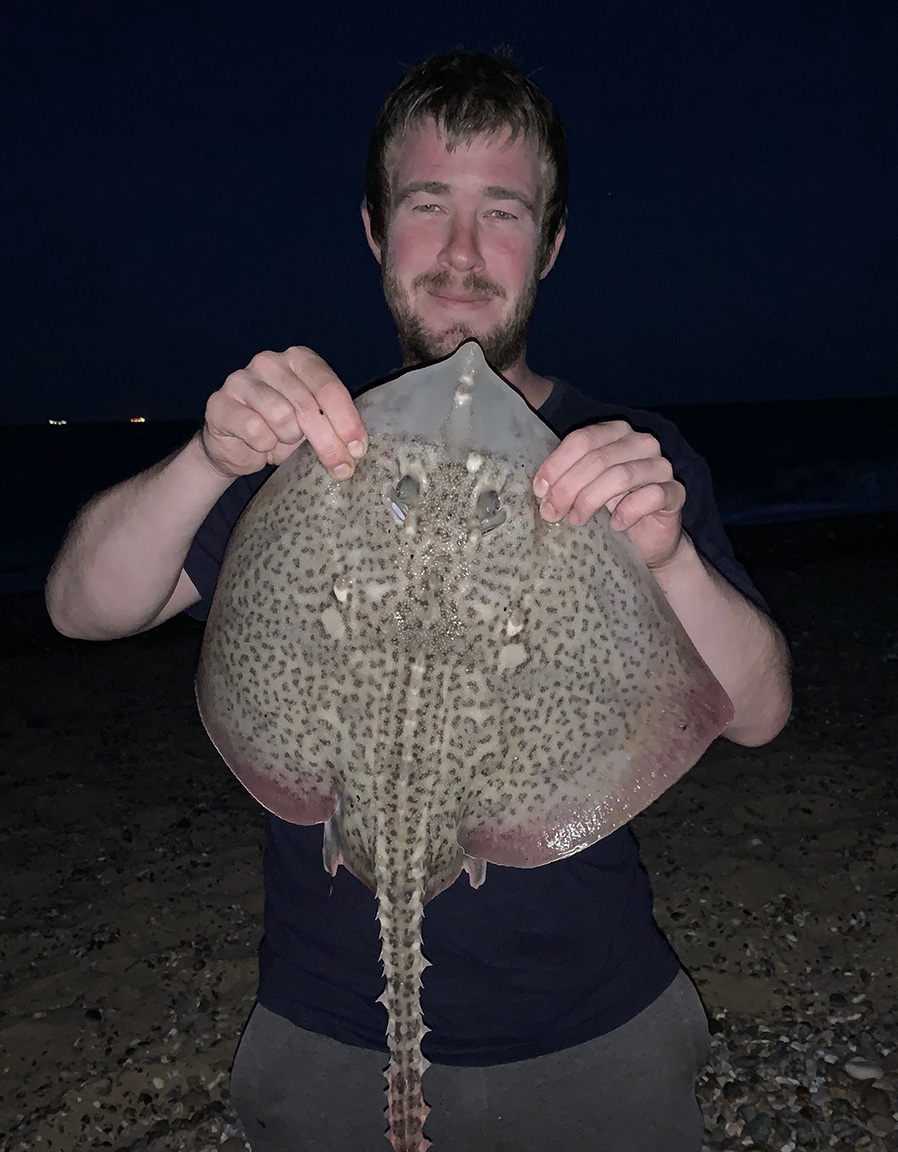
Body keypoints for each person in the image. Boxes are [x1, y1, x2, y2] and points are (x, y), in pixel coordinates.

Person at [46, 50, 792, 1152]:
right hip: (325, 1038)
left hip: (597, 1032)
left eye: (501, 214)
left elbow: (759, 713)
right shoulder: (306, 448)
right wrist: (209, 457)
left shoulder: (624, 463)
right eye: (426, 206)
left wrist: (669, 555)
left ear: (548, 246)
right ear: (373, 229)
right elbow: (80, 605)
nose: (458, 251)